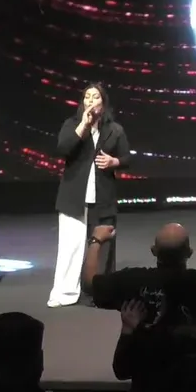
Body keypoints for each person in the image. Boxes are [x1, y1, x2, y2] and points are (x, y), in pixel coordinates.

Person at [49, 83, 131, 308]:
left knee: (103, 246)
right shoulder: (72, 124)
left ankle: (101, 293)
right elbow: (63, 149)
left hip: (103, 196)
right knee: (70, 247)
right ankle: (64, 292)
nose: (90, 101)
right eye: (87, 97)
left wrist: (115, 162)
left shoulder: (114, 129)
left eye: (95, 97)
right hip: (73, 195)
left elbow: (127, 158)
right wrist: (83, 126)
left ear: (103, 103)